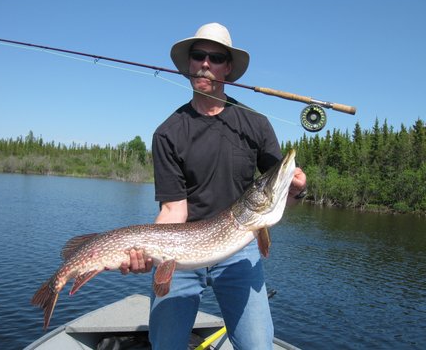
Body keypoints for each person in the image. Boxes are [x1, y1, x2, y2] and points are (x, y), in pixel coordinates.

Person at [120, 22, 307, 349]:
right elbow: (173, 208)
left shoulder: (255, 124)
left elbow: (277, 194)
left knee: (258, 345)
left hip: (241, 248)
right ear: (189, 64)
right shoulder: (168, 133)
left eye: (216, 57)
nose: (206, 63)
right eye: (199, 55)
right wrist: (149, 251)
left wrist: (295, 188)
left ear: (228, 67)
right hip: (180, 250)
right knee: (165, 345)